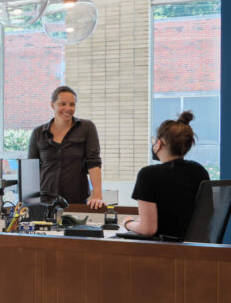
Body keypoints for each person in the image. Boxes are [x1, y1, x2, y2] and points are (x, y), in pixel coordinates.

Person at [124, 111, 208, 239]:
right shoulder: (199, 170)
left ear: (159, 143)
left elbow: (147, 229)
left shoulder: (148, 174)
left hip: (163, 251)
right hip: (195, 250)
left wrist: (128, 223)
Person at [28, 85, 104, 209]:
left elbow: (94, 163)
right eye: (62, 104)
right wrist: (30, 202)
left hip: (76, 199)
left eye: (72, 104)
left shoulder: (87, 127)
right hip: (45, 200)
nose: (68, 108)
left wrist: (97, 195)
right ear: (53, 105)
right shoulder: (38, 132)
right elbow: (31, 169)